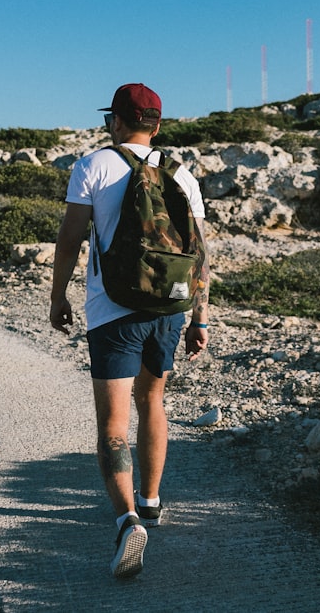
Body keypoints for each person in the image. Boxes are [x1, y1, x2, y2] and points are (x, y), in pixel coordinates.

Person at [50, 83, 210, 579]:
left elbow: (71, 238)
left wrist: (58, 297)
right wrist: (200, 316)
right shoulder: (182, 174)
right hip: (169, 309)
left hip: (113, 309)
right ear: (156, 125)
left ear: (115, 122)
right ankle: (152, 499)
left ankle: (126, 521)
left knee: (113, 423)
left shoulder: (93, 166)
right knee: (153, 402)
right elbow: (201, 254)